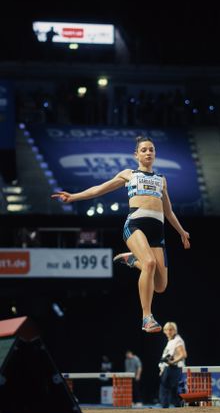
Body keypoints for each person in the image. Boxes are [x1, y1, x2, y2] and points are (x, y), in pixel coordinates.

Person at [51, 135, 191, 333]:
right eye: (144, 150)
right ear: (136, 155)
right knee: (150, 264)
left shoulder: (162, 180)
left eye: (151, 149)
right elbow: (100, 189)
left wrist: (181, 231)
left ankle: (133, 260)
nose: (148, 152)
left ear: (155, 153)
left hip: (157, 232)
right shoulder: (129, 174)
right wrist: (74, 196)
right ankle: (147, 318)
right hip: (135, 226)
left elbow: (168, 211)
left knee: (160, 286)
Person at [158, 321, 187, 408]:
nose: (168, 332)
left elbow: (183, 355)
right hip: (169, 368)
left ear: (175, 330)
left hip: (175, 368)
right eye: (166, 330)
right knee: (170, 391)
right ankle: (170, 408)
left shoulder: (177, 340)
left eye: (171, 329)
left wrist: (172, 362)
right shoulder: (171, 341)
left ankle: (169, 409)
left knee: (169, 390)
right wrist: (162, 369)